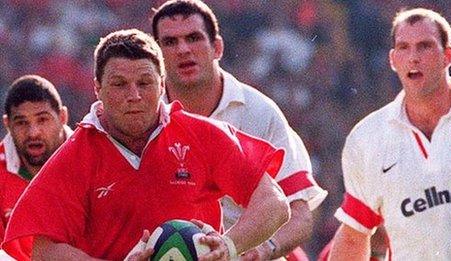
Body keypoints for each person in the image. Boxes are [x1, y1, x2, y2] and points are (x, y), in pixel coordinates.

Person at [2, 29, 290, 261]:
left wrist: (228, 245)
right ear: (97, 88)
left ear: (162, 85)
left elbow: (274, 202)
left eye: (145, 82)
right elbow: (45, 250)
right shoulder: (75, 156)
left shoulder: (201, 135)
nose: (134, 95)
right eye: (119, 84)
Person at [151, 1, 327, 259]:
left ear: (217, 47)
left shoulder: (260, 112)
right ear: (155, 56)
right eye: (170, 42)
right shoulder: (145, 117)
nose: (183, 50)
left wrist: (263, 249)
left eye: (194, 38)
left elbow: (299, 214)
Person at [329, 8, 451, 260]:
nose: (413, 57)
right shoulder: (366, 139)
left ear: (448, 55)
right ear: (392, 60)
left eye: (424, 46)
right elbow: (354, 235)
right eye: (404, 47)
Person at [0, 75, 73, 259]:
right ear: (8, 124)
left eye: (42, 120)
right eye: (22, 122)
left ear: (62, 116)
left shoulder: (93, 158)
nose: (33, 132)